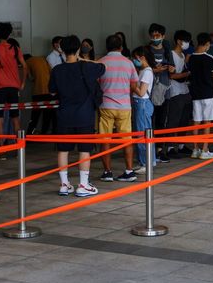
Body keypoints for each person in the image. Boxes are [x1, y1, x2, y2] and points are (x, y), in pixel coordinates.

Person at [49, 35, 105, 197]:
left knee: (63, 151)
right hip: (84, 115)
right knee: (84, 150)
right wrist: (82, 59)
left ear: (62, 50)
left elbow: (52, 91)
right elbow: (102, 67)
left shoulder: (57, 70)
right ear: (78, 49)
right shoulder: (86, 67)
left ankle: (64, 184)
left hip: (64, 115)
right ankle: (83, 184)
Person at [97, 34, 139, 183]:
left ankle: (107, 172)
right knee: (127, 140)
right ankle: (128, 171)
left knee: (105, 139)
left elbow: (96, 84)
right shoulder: (128, 63)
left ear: (107, 47)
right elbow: (134, 85)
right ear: (121, 47)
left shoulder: (101, 62)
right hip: (124, 107)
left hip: (106, 106)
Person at [0, 22, 27, 160]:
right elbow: (25, 66)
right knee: (15, 118)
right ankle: (19, 148)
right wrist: (22, 83)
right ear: (9, 34)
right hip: (13, 87)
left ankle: (1, 150)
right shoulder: (15, 48)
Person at [188, 33, 213, 159]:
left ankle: (195, 149)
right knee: (207, 122)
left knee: (196, 121)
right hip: (208, 93)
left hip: (195, 93)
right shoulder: (209, 58)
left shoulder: (191, 58)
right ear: (207, 44)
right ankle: (205, 149)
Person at [147, 23, 173, 162]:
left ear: (163, 36)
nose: (155, 37)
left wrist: (171, 69)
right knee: (150, 122)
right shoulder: (146, 51)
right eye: (152, 35)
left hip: (164, 90)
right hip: (150, 92)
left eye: (157, 35)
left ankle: (160, 150)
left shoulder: (167, 51)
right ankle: (151, 150)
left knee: (162, 121)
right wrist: (153, 70)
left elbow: (173, 68)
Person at [166, 30, 193, 159]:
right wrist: (187, 74)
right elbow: (172, 75)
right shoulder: (171, 54)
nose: (187, 43)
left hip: (185, 90)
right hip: (175, 91)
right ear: (178, 41)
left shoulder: (183, 55)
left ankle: (181, 144)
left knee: (184, 119)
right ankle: (170, 147)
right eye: (185, 41)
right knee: (174, 120)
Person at [131, 46, 156, 168]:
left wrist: (132, 84)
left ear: (142, 57)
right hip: (139, 104)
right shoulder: (142, 70)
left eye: (135, 58)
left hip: (142, 104)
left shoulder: (147, 72)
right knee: (141, 133)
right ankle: (144, 162)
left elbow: (141, 92)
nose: (134, 60)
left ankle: (147, 163)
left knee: (142, 134)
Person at [24, 53, 54, 135]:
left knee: (35, 116)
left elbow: (30, 77)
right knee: (47, 116)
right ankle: (44, 134)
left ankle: (30, 134)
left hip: (38, 92)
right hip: (49, 91)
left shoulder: (27, 62)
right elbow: (52, 71)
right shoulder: (43, 59)